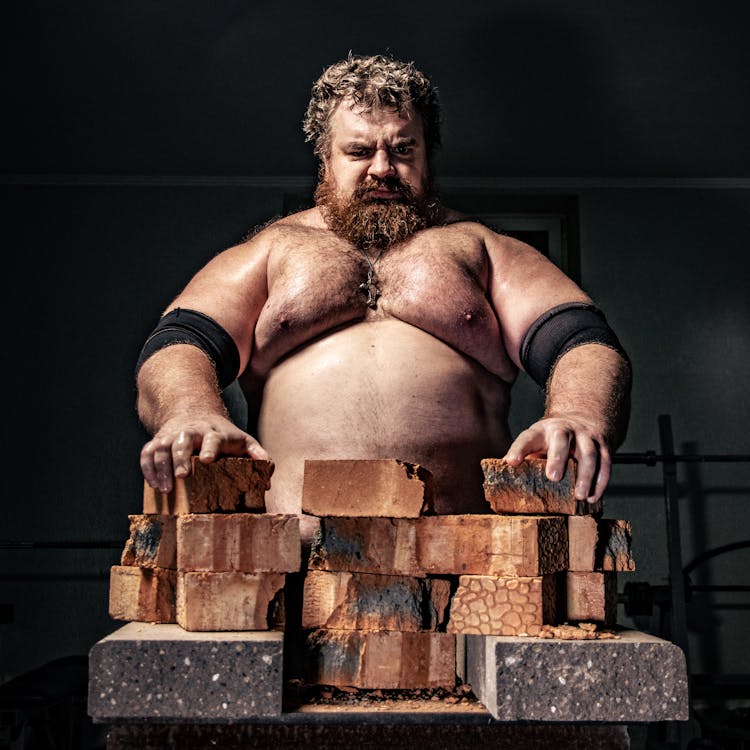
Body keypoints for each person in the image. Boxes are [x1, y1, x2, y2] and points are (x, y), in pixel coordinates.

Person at [136, 53, 631, 542]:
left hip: (460, 557)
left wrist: (576, 414)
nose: (382, 168)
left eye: (402, 150)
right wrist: (189, 410)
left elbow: (583, 341)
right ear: (325, 160)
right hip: (298, 557)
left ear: (426, 156)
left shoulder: (482, 248)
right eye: (358, 152)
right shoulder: (271, 251)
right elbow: (181, 343)